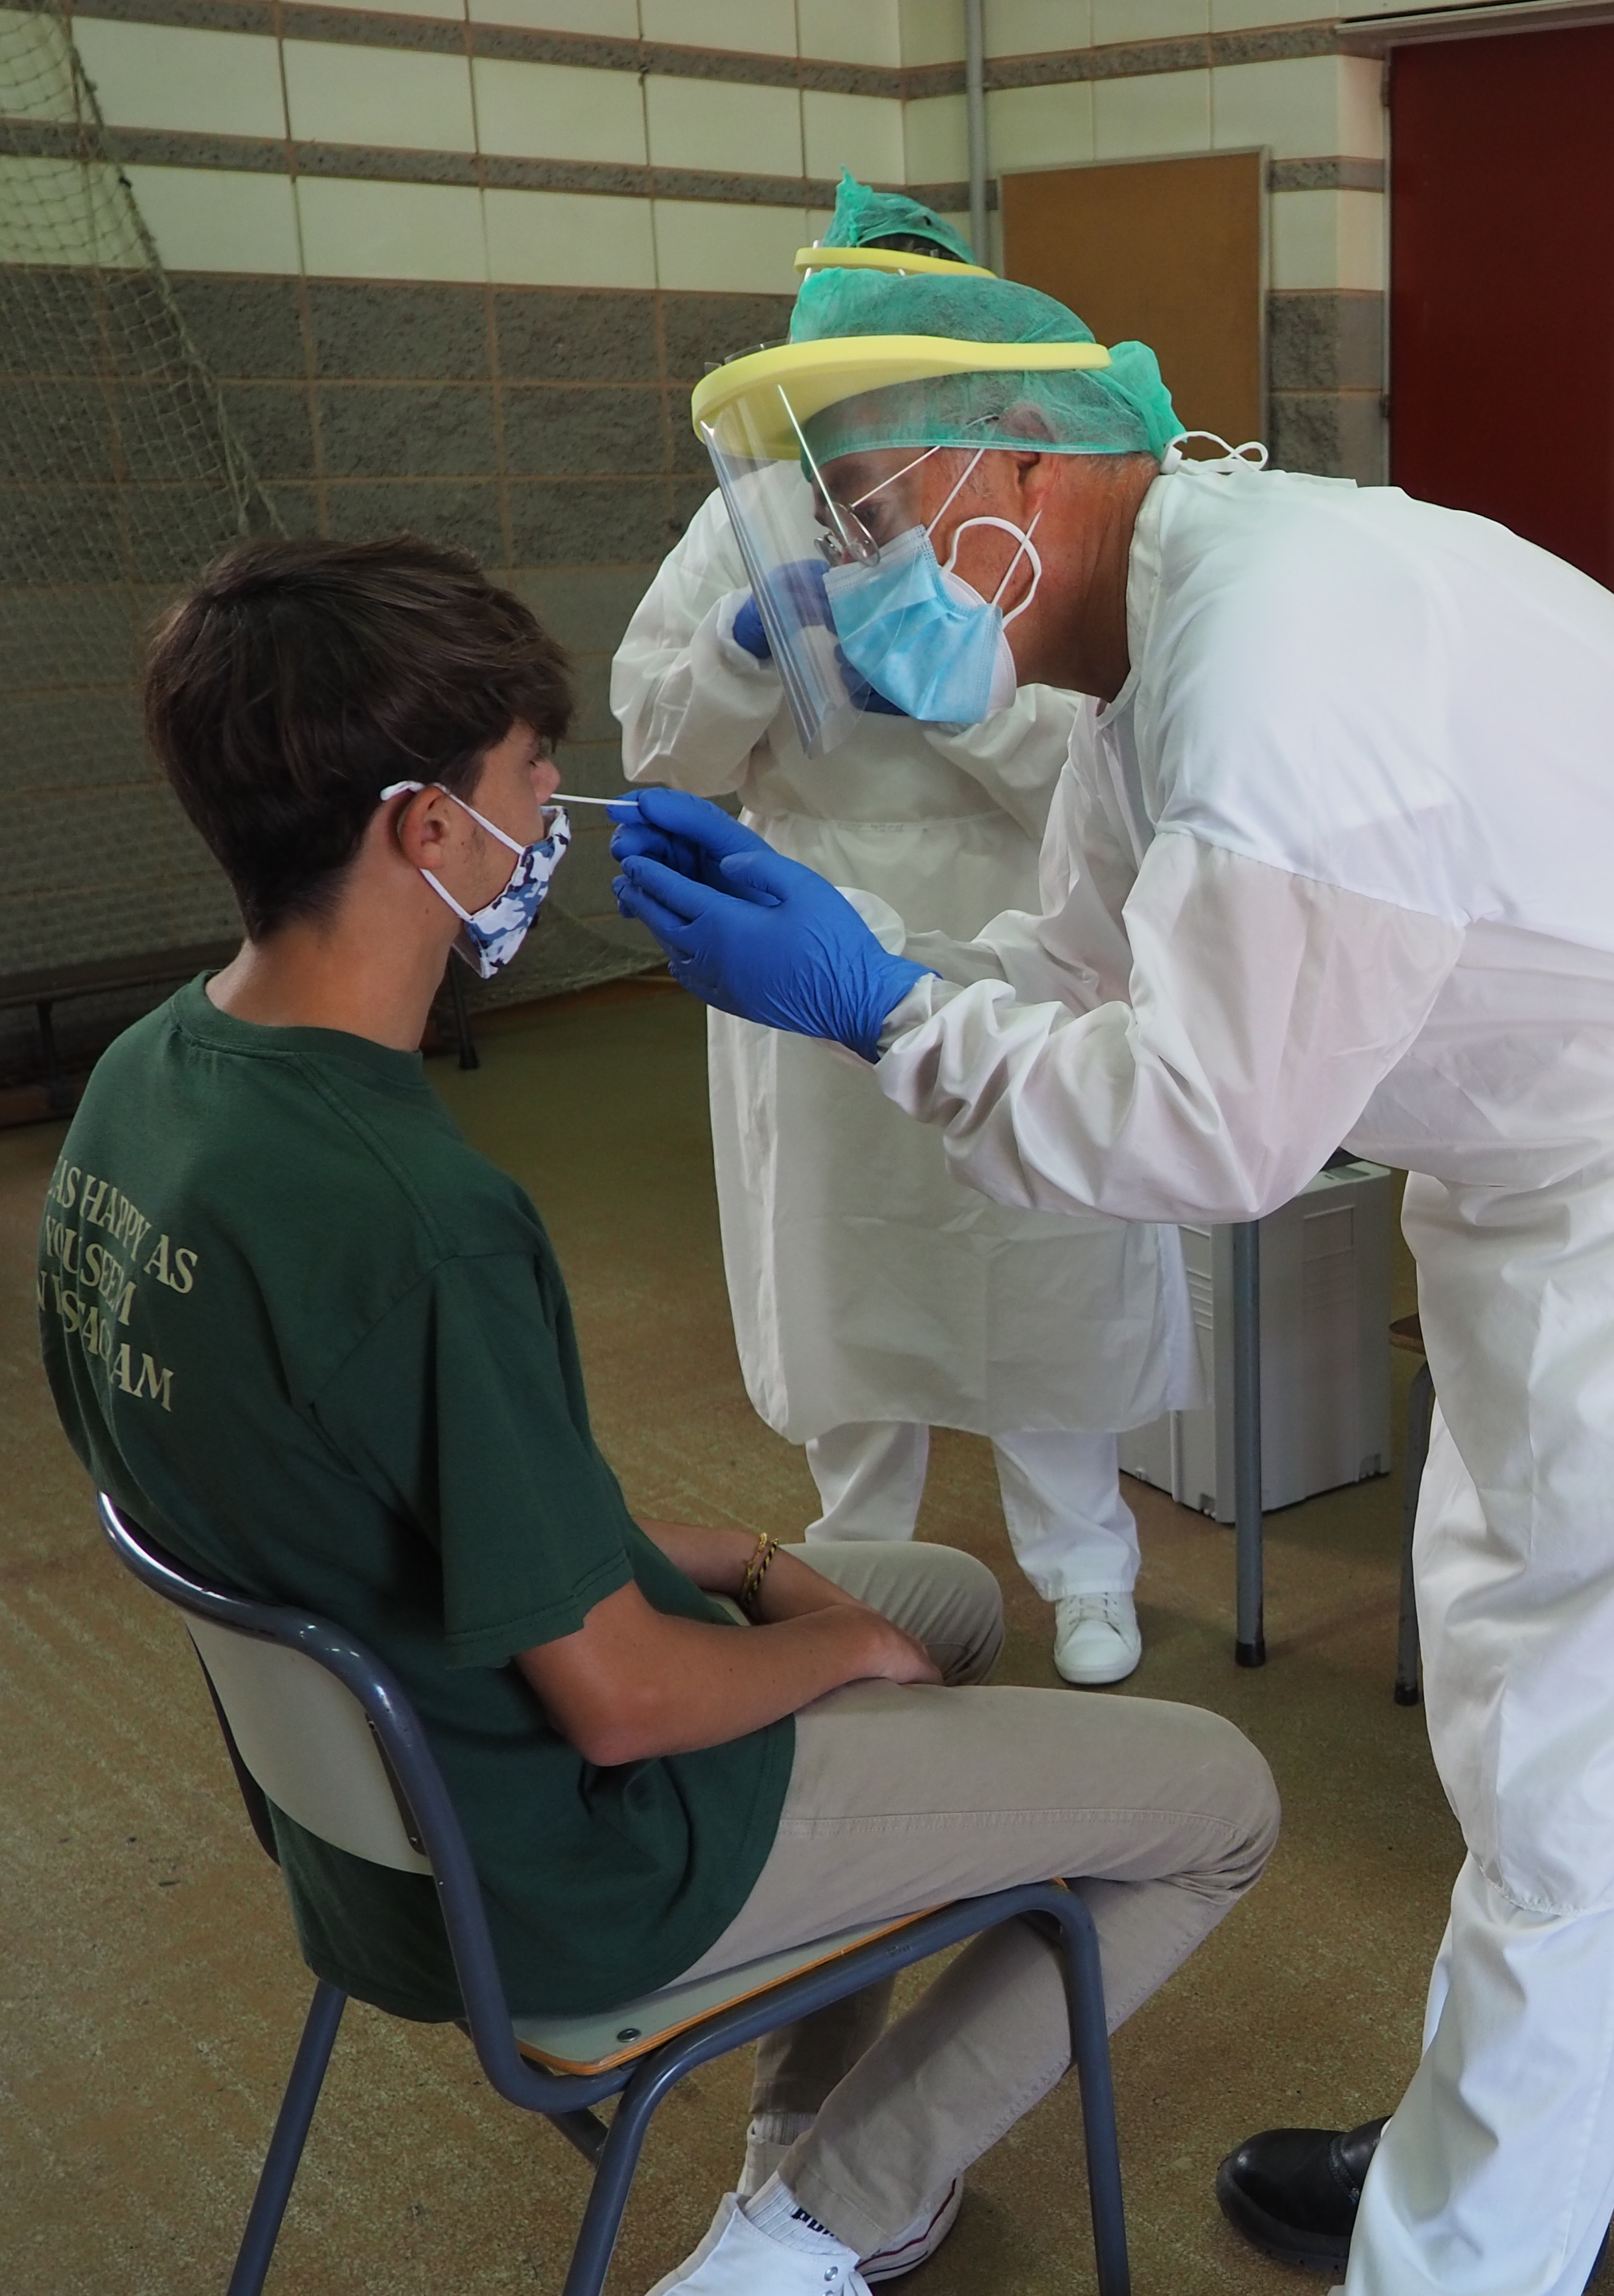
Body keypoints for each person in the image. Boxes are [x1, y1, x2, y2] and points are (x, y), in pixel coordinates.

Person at [604, 266, 1614, 2296]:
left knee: (1594, 1755)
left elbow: (1207, 1127)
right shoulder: (1161, 659)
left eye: (868, 518)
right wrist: (878, 959)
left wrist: (878, 1018)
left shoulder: (1283, 645)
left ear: (1027, 458)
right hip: (1547, 1158)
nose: (850, 583)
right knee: (1512, 1682)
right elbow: (1099, 973)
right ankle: (1480, 2148)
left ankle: (1463, 2257)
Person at [42, 535, 1277, 2296]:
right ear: (425, 832)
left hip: (357, 1821)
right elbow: (622, 1702)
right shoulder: (417, 1215)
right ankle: (811, 2236)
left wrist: (775, 1568)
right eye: (536, 776)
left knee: (932, 1588)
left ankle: (799, 2132)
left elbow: (391, 1509)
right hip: (560, 1864)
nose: (565, 806)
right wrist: (826, 1656)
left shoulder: (153, 1084)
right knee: (1214, 1799)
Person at [616, 172, 1186, 1689]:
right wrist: (753, 655)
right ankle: (856, 1562)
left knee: (1041, 1245)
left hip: (1021, 910)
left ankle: (1086, 1566)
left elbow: (1104, 764)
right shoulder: (743, 524)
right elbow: (657, 738)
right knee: (844, 1266)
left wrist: (959, 699)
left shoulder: (1020, 503)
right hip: (812, 926)